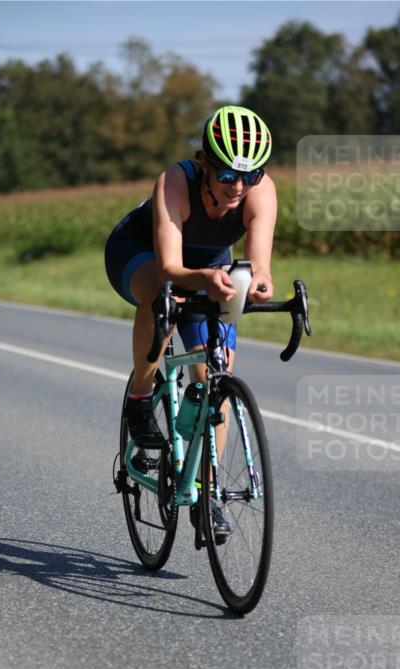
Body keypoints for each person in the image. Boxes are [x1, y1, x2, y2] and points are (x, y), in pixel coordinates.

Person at [105, 105, 277, 538]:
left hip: (210, 266)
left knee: (214, 378)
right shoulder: (175, 182)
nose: (238, 186)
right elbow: (169, 268)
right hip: (142, 253)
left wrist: (257, 285)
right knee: (159, 299)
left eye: (250, 175)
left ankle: (206, 490)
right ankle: (141, 397)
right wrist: (203, 280)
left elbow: (259, 266)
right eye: (226, 176)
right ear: (204, 163)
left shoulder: (261, 190)